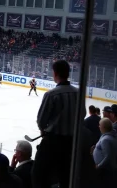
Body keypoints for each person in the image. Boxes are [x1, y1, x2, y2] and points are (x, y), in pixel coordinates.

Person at [32, 60, 80, 188]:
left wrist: (43, 130)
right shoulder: (77, 93)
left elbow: (41, 120)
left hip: (53, 143)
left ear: (55, 73)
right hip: (71, 143)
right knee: (65, 175)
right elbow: (82, 115)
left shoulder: (51, 94)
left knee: (39, 175)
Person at [93, 118, 117, 187]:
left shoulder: (106, 139)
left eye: (100, 125)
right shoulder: (111, 137)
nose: (99, 126)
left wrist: (99, 166)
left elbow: (108, 156)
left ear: (104, 127)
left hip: (105, 170)